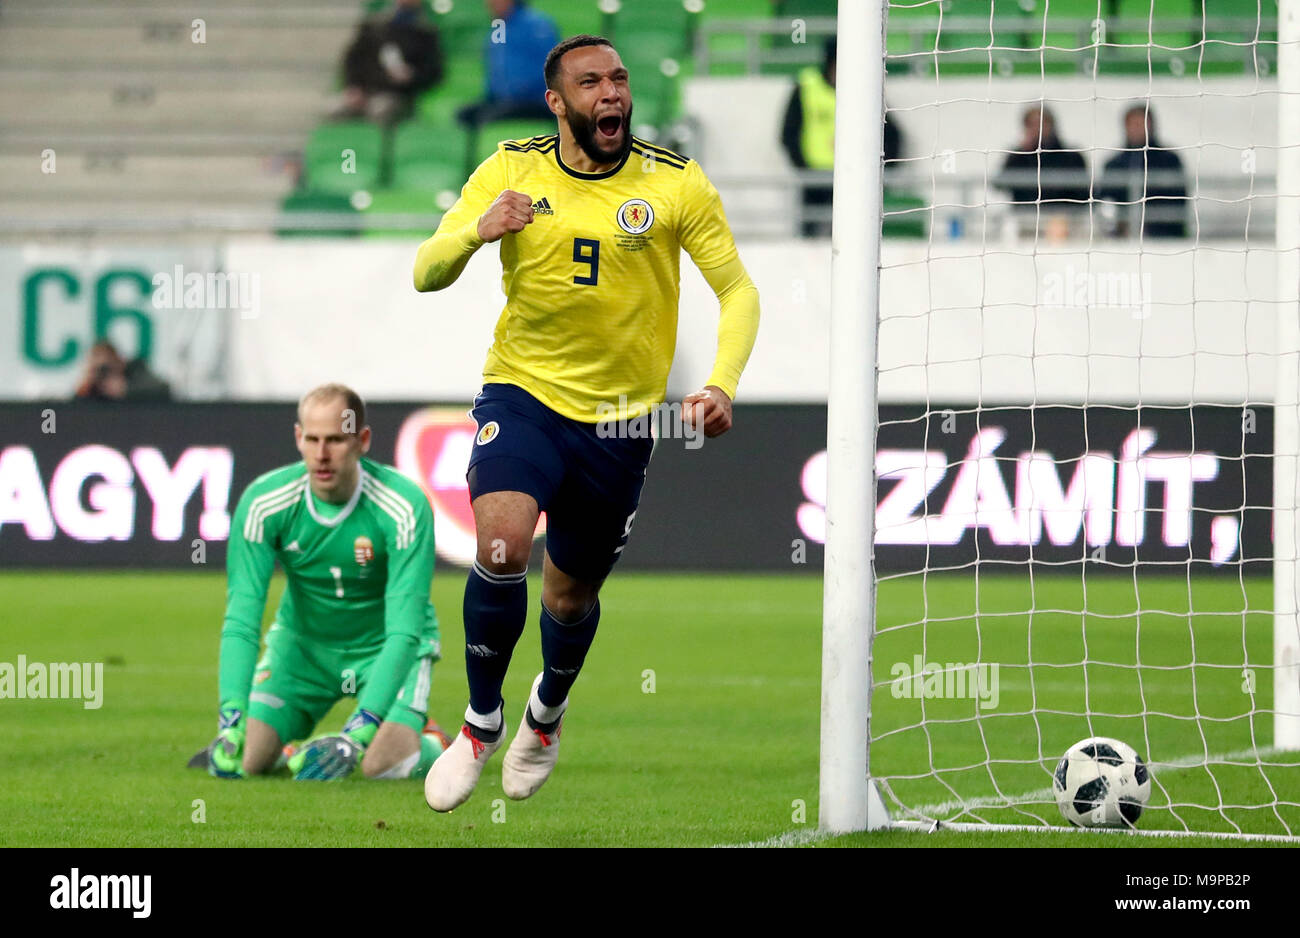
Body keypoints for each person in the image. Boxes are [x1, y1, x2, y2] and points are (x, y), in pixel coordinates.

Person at [413, 35, 761, 811]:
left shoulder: (674, 183)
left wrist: (721, 384)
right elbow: (424, 270)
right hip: (524, 395)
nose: (612, 94)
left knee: (568, 598)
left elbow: (736, 290)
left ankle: (547, 711)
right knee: (500, 545)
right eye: (591, 82)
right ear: (557, 100)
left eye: (620, 79)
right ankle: (479, 724)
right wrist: (475, 234)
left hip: (619, 421)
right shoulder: (509, 169)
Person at [188, 383, 450, 781]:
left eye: (335, 440)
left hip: (385, 650)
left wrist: (357, 733)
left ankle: (434, 742)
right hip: (304, 650)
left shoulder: (403, 507)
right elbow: (242, 620)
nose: (321, 454)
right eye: (312, 439)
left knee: (381, 766)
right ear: (298, 438)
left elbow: (404, 632)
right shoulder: (264, 502)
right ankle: (289, 746)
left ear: (362, 441)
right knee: (247, 760)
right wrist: (231, 717)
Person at [779, 37, 902, 237]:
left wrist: (880, 173)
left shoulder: (865, 91)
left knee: (855, 238)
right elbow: (788, 133)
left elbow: (892, 135)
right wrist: (802, 168)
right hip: (814, 181)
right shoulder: (806, 86)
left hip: (854, 178)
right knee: (811, 239)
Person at [333, 0, 444, 125]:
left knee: (380, 109)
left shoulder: (426, 33)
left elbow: (434, 72)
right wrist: (353, 86)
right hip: (364, 89)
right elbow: (354, 60)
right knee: (334, 109)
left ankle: (373, 144)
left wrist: (411, 76)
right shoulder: (373, 25)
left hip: (398, 94)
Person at [456, 0, 559, 128]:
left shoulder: (537, 25)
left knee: (490, 118)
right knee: (465, 114)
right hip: (504, 101)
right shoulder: (497, 30)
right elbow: (495, 73)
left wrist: (517, 91)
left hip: (534, 101)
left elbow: (551, 68)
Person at [1098, 103, 1187, 238]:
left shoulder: (1169, 160)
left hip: (1164, 236)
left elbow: (1177, 200)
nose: (1137, 129)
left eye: (1141, 123)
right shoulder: (1113, 164)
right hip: (1122, 237)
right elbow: (1107, 201)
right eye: (1132, 124)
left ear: (1151, 125)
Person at [994, 105, 1090, 225]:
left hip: (1064, 218)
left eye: (1041, 124)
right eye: (1031, 125)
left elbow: (1082, 192)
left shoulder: (1071, 157)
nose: (1037, 129)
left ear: (1051, 126)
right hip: (1026, 218)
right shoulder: (1018, 156)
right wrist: (1023, 153)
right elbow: (1000, 184)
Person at [74, 339, 172, 402]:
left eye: (106, 367)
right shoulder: (92, 386)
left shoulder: (135, 371)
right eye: (99, 369)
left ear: (118, 361)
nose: (104, 373)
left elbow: (164, 390)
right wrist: (86, 385)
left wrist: (126, 390)